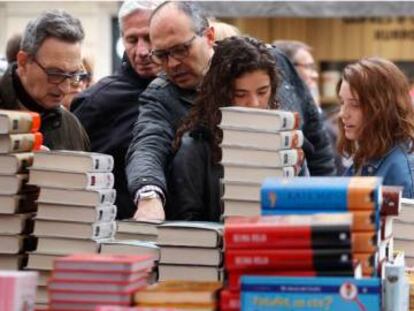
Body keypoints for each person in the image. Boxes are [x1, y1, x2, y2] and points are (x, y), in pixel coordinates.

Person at [126, 1, 335, 221]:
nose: (173, 63)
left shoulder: (271, 62)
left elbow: (315, 141)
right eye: (162, 55)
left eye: (181, 49)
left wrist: (331, 212)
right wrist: (149, 195)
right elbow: (147, 144)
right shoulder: (163, 97)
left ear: (208, 36)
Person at [169, 36, 306, 220]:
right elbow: (188, 226)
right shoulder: (195, 147)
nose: (254, 104)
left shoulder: (287, 139)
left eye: (262, 91)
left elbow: (305, 205)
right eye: (240, 94)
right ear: (221, 94)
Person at [71, 0, 160, 219]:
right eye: (132, 39)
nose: (141, 51)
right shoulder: (96, 102)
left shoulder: (190, 92)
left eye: (149, 37)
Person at [0, 10, 90, 150]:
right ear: (23, 62)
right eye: (55, 73)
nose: (65, 88)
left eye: (73, 74)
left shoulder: (72, 127)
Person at [338, 57, 414, 198]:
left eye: (355, 105)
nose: (343, 113)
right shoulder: (370, 150)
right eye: (342, 102)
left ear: (385, 107)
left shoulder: (400, 170)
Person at [274, 39, 345, 174]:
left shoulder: (318, 115)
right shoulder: (286, 118)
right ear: (287, 68)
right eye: (308, 67)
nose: (315, 75)